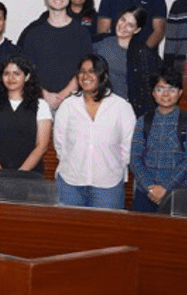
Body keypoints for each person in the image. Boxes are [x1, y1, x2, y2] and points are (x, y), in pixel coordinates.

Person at [52, 55, 136, 208]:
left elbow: (128, 146)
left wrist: (113, 167)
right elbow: (60, 143)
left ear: (103, 75)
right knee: (68, 231)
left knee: (106, 231)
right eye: (82, 72)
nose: (86, 76)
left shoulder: (121, 107)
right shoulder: (68, 105)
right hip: (71, 182)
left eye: (92, 71)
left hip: (108, 185)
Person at [129, 71, 187, 213]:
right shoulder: (143, 121)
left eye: (172, 89)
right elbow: (135, 159)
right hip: (146, 193)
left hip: (179, 193)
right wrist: (150, 187)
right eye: (160, 89)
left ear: (180, 92)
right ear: (153, 93)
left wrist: (165, 188)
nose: (166, 94)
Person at [16, 0, 92, 108]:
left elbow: (85, 70)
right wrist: (45, 95)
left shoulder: (82, 33)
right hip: (40, 103)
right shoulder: (33, 33)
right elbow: (26, 70)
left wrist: (63, 96)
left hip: (74, 103)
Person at [0, 57, 52, 175]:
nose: (11, 78)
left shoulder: (41, 105)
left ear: (26, 77)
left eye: (16, 73)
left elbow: (42, 146)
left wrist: (20, 175)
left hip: (29, 175)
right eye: (6, 73)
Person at [92, 5, 161, 111]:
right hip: (98, 104)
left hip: (125, 109)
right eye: (123, 20)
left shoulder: (143, 53)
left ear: (137, 30)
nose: (123, 26)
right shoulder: (100, 43)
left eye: (130, 25)